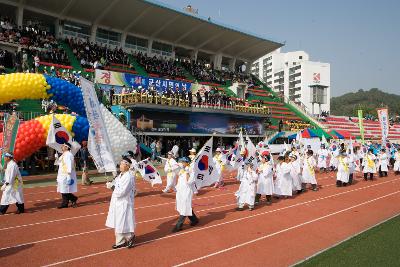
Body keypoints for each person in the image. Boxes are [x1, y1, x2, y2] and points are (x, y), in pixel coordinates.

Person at [105, 157, 136, 249]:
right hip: (116, 202)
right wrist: (110, 183)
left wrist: (111, 187)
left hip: (124, 202)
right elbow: (115, 184)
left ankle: (130, 237)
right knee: (118, 222)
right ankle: (120, 242)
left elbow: (122, 192)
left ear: (127, 166)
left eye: (123, 164)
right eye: (121, 163)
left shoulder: (129, 177)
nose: (120, 165)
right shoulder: (120, 175)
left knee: (123, 222)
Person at [173, 157, 199, 232]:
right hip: (180, 191)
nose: (181, 163)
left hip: (187, 191)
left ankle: (179, 225)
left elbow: (190, 181)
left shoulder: (191, 170)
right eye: (181, 161)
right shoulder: (181, 169)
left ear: (187, 162)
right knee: (184, 206)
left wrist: (187, 172)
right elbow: (173, 169)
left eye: (183, 162)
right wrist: (180, 166)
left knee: (185, 207)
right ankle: (194, 220)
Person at [55, 143, 78, 209]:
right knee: (63, 189)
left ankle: (72, 199)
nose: (62, 147)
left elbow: (69, 165)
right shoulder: (63, 154)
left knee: (64, 189)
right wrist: (56, 157)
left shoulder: (69, 155)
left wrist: (68, 175)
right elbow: (59, 163)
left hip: (66, 174)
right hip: (62, 174)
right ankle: (66, 202)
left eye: (63, 146)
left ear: (67, 147)